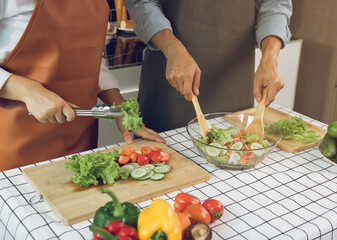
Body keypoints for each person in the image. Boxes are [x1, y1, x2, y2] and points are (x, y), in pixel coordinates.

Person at [0, 0, 164, 172]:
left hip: (80, 140)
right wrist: (28, 91)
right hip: (15, 144)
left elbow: (90, 58)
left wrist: (121, 111)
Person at [125, 0, 292, 133]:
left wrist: (269, 58)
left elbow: (275, 4)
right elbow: (142, 2)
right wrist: (172, 48)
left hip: (235, 81)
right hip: (171, 85)